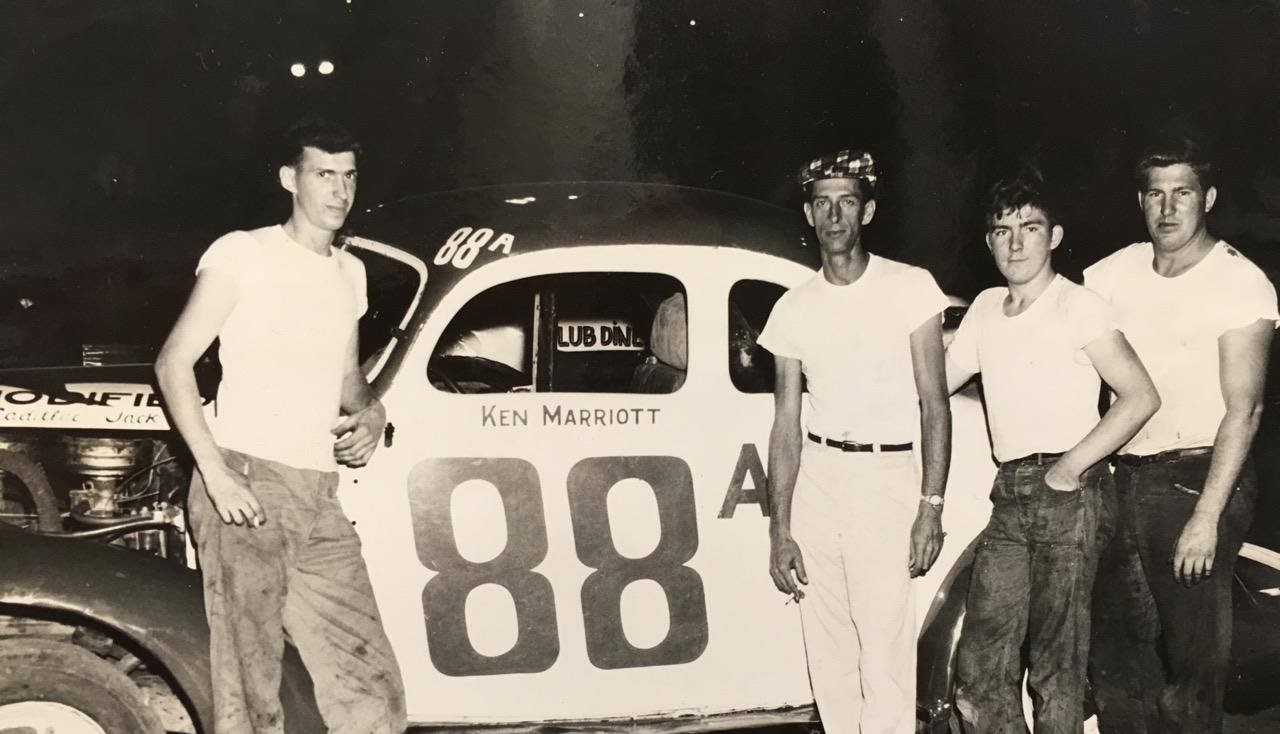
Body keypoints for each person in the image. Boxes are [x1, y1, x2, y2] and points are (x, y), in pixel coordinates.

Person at [155, 117, 407, 733]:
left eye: (349, 176)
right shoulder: (244, 252)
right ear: (290, 179)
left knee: (369, 680)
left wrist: (373, 410)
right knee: (251, 687)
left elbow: (346, 380)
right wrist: (216, 475)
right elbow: (173, 363)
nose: (340, 191)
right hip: (248, 481)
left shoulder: (349, 272)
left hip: (318, 492)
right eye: (324, 174)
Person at [946, 173, 1159, 733]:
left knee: (1055, 665)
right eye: (1003, 230)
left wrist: (1069, 467)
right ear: (989, 241)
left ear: (1055, 236)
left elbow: (1140, 397)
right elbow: (935, 382)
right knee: (979, 665)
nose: (1016, 243)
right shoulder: (985, 308)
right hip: (1010, 492)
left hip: (1070, 492)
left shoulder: (1078, 305)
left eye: (1030, 228)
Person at [1085, 135, 1278, 734]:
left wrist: (1207, 518)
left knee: (1192, 666)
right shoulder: (1111, 273)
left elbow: (1245, 409)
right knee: (1117, 656)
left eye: (1183, 193)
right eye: (1156, 194)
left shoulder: (1239, 282)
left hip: (1196, 477)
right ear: (1141, 201)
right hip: (1120, 475)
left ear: (1208, 198)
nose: (1167, 208)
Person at [760, 149, 952, 734]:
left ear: (867, 212)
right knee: (830, 652)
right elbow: (786, 425)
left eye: (846, 202)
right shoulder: (793, 307)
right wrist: (780, 529)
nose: (834, 215)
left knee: (885, 653)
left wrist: (930, 506)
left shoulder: (911, 287)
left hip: (885, 479)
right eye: (822, 204)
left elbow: (935, 405)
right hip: (819, 480)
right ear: (808, 214)